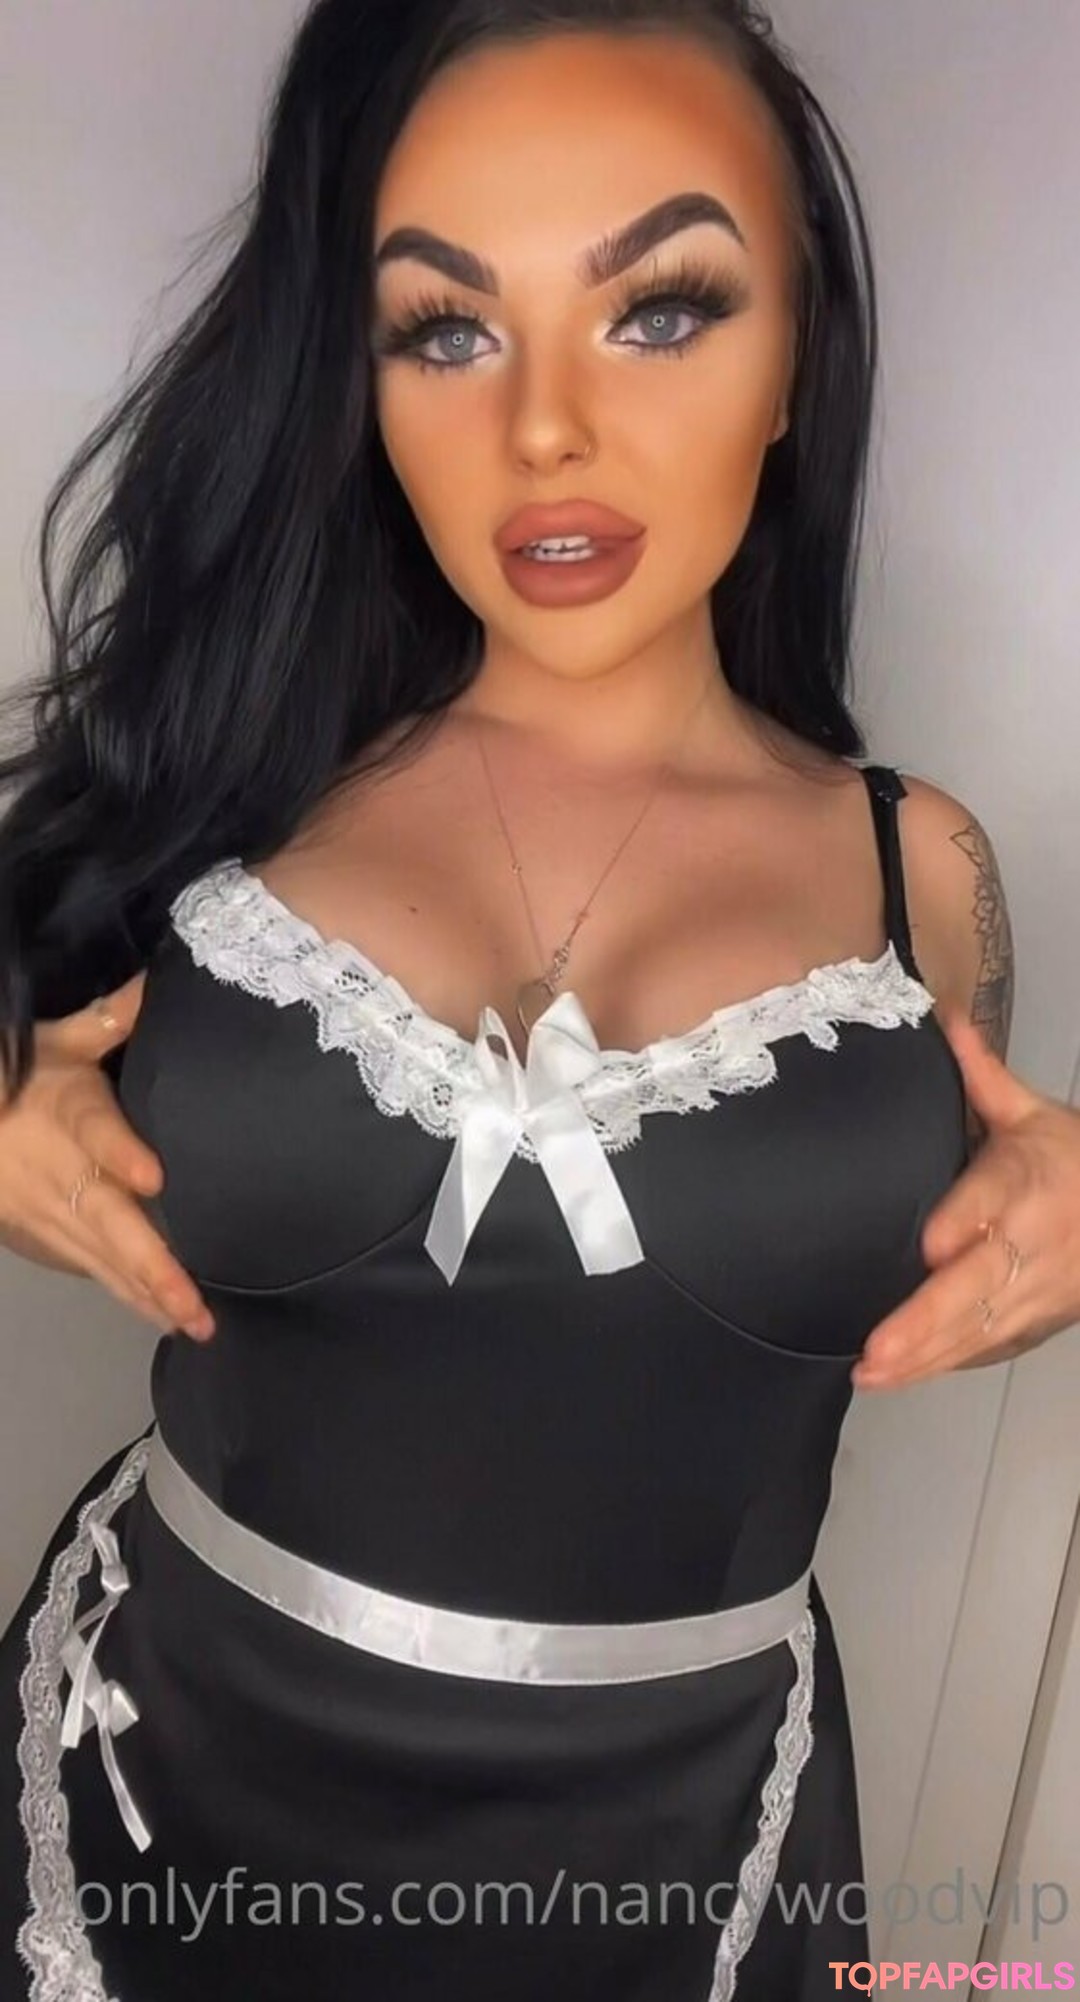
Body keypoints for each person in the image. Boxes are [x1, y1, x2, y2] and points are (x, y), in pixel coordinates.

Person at [0, 1, 1015, 1996]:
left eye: (662, 309)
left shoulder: (927, 875)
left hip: (676, 1852)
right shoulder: (225, 777)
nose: (545, 427)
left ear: (799, 352)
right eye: (445, 329)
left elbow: (986, 1234)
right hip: (145, 1793)